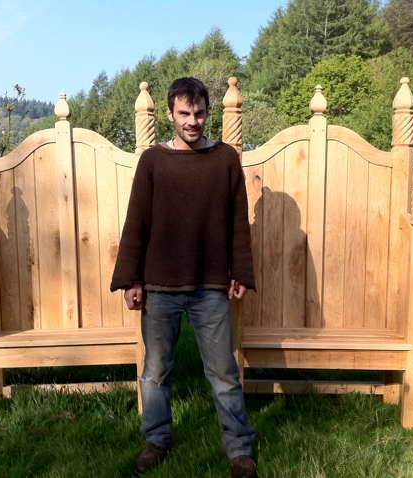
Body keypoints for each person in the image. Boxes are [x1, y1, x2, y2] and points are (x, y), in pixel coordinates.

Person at [110, 77, 258, 478]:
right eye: (184, 114)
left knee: (224, 372)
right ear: (170, 115)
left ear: (207, 112)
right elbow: (136, 222)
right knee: (156, 371)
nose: (192, 121)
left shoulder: (226, 159)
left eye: (199, 113)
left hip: (210, 285)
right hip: (159, 286)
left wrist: (241, 271)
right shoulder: (153, 161)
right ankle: (156, 440)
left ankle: (239, 450)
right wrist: (131, 279)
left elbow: (237, 224)